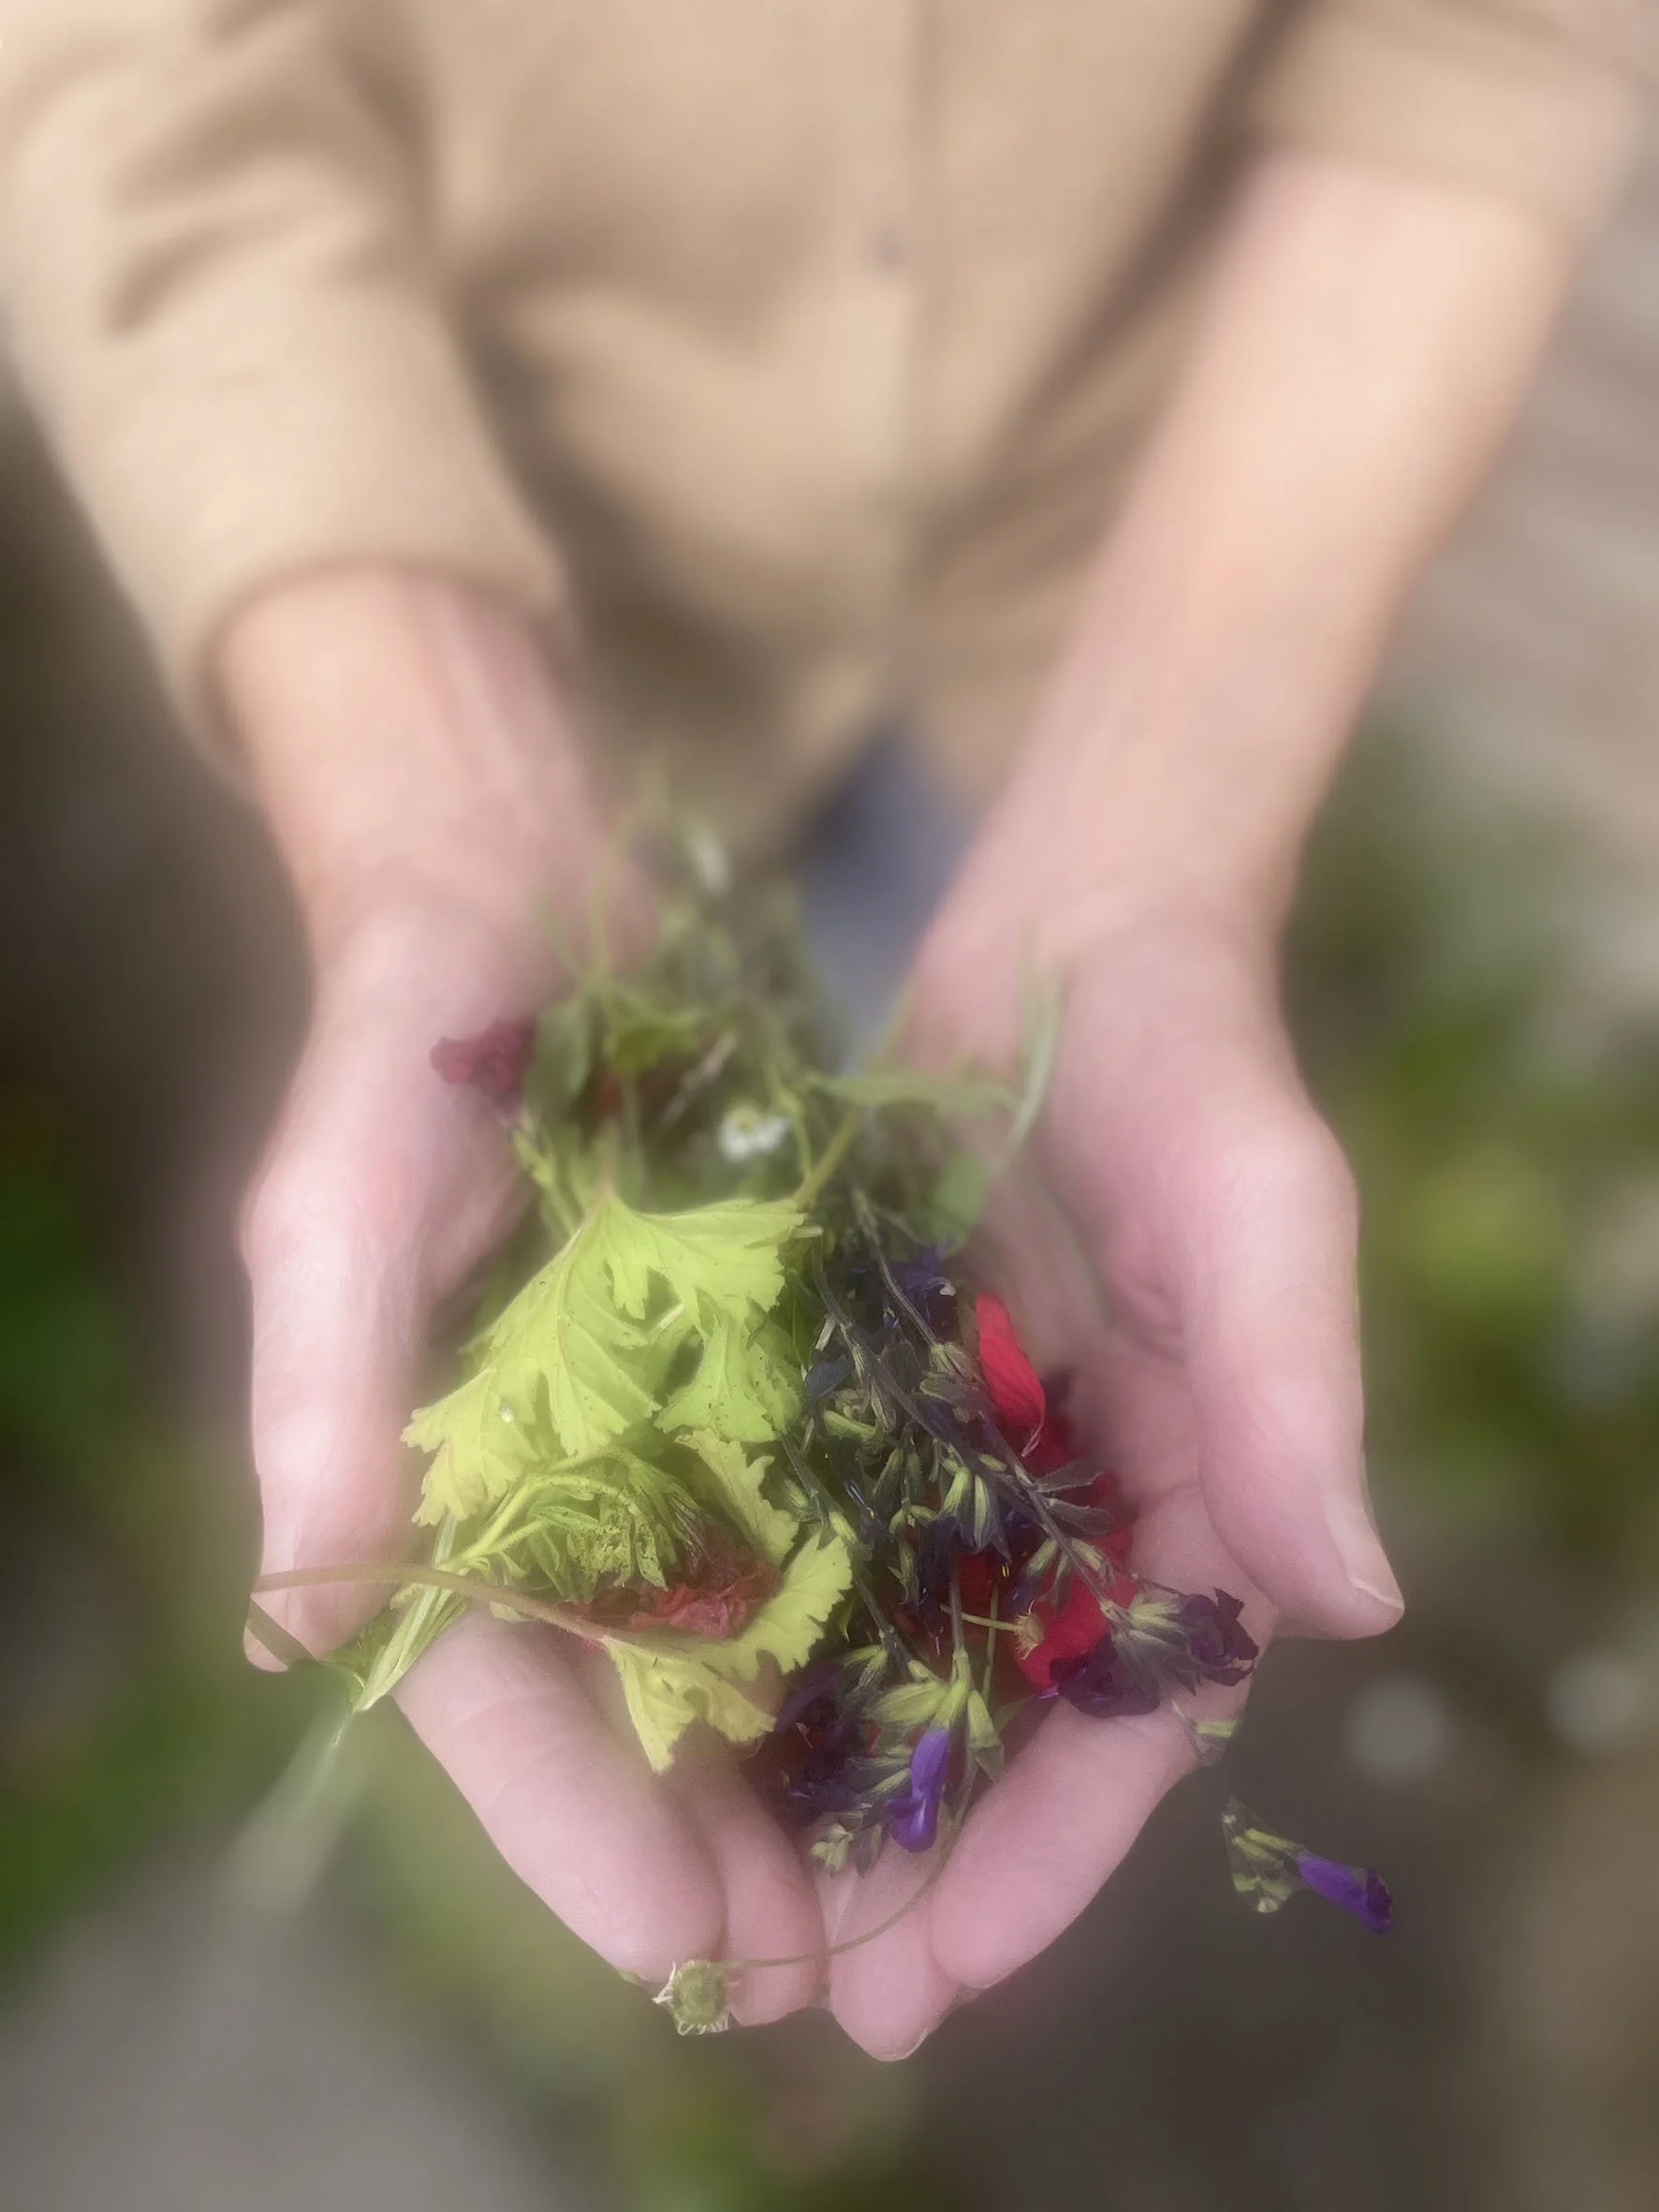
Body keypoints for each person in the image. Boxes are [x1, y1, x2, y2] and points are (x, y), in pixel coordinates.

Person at [0, 2, 1649, 2057]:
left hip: (1099, 588)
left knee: (916, 1080)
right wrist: (422, 777)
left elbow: (1491, 38)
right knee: (832, 1089)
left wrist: (1160, 828)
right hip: (550, 555)